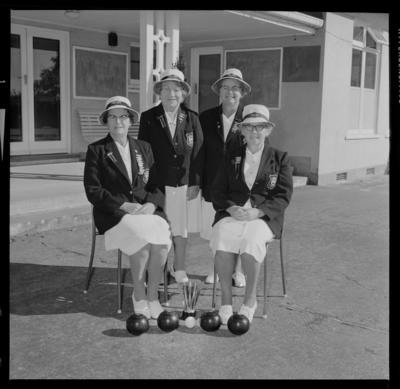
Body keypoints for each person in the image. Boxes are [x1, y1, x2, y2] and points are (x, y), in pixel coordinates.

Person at [84, 96, 172, 320]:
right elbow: (93, 190)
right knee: (141, 237)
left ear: (131, 120)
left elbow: (157, 184)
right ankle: (139, 295)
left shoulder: (144, 148)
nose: (118, 121)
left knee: (162, 239)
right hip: (114, 214)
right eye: (112, 117)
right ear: (106, 121)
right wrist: (122, 204)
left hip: (146, 211)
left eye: (123, 116)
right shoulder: (97, 150)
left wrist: (152, 204)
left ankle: (153, 297)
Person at [210, 104, 293, 324]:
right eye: (250, 128)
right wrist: (230, 208)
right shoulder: (230, 156)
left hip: (263, 217)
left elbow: (283, 196)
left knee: (250, 240)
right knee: (222, 239)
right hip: (233, 213)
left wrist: (258, 211)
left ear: (268, 130)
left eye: (260, 127)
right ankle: (226, 301)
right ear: (242, 130)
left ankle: (249, 301)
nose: (255, 133)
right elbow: (216, 191)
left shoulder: (280, 158)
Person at [138, 68, 204, 284]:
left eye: (176, 90)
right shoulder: (149, 117)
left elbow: (199, 153)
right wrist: (145, 183)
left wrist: (195, 181)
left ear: (183, 94)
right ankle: (159, 268)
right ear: (160, 92)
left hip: (182, 184)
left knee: (180, 227)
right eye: (166, 89)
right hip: (158, 184)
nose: (171, 94)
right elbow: (142, 152)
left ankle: (180, 267)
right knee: (160, 227)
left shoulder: (192, 118)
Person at [199, 68, 251, 287]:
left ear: (242, 93)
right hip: (213, 182)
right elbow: (199, 153)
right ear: (219, 91)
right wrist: (197, 181)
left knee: (237, 228)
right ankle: (216, 268)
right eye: (226, 87)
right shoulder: (206, 117)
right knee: (216, 229)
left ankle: (237, 270)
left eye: (235, 88)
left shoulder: (248, 119)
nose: (230, 92)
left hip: (240, 185)